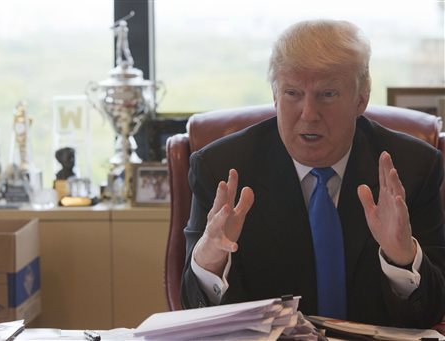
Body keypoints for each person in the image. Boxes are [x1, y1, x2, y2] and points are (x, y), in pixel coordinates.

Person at [181, 19, 445, 329]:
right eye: (292, 93)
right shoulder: (222, 168)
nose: (308, 114)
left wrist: (402, 257)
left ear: (361, 99)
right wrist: (210, 262)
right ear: (275, 95)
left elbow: (429, 313)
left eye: (327, 94)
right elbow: (191, 309)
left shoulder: (413, 168)